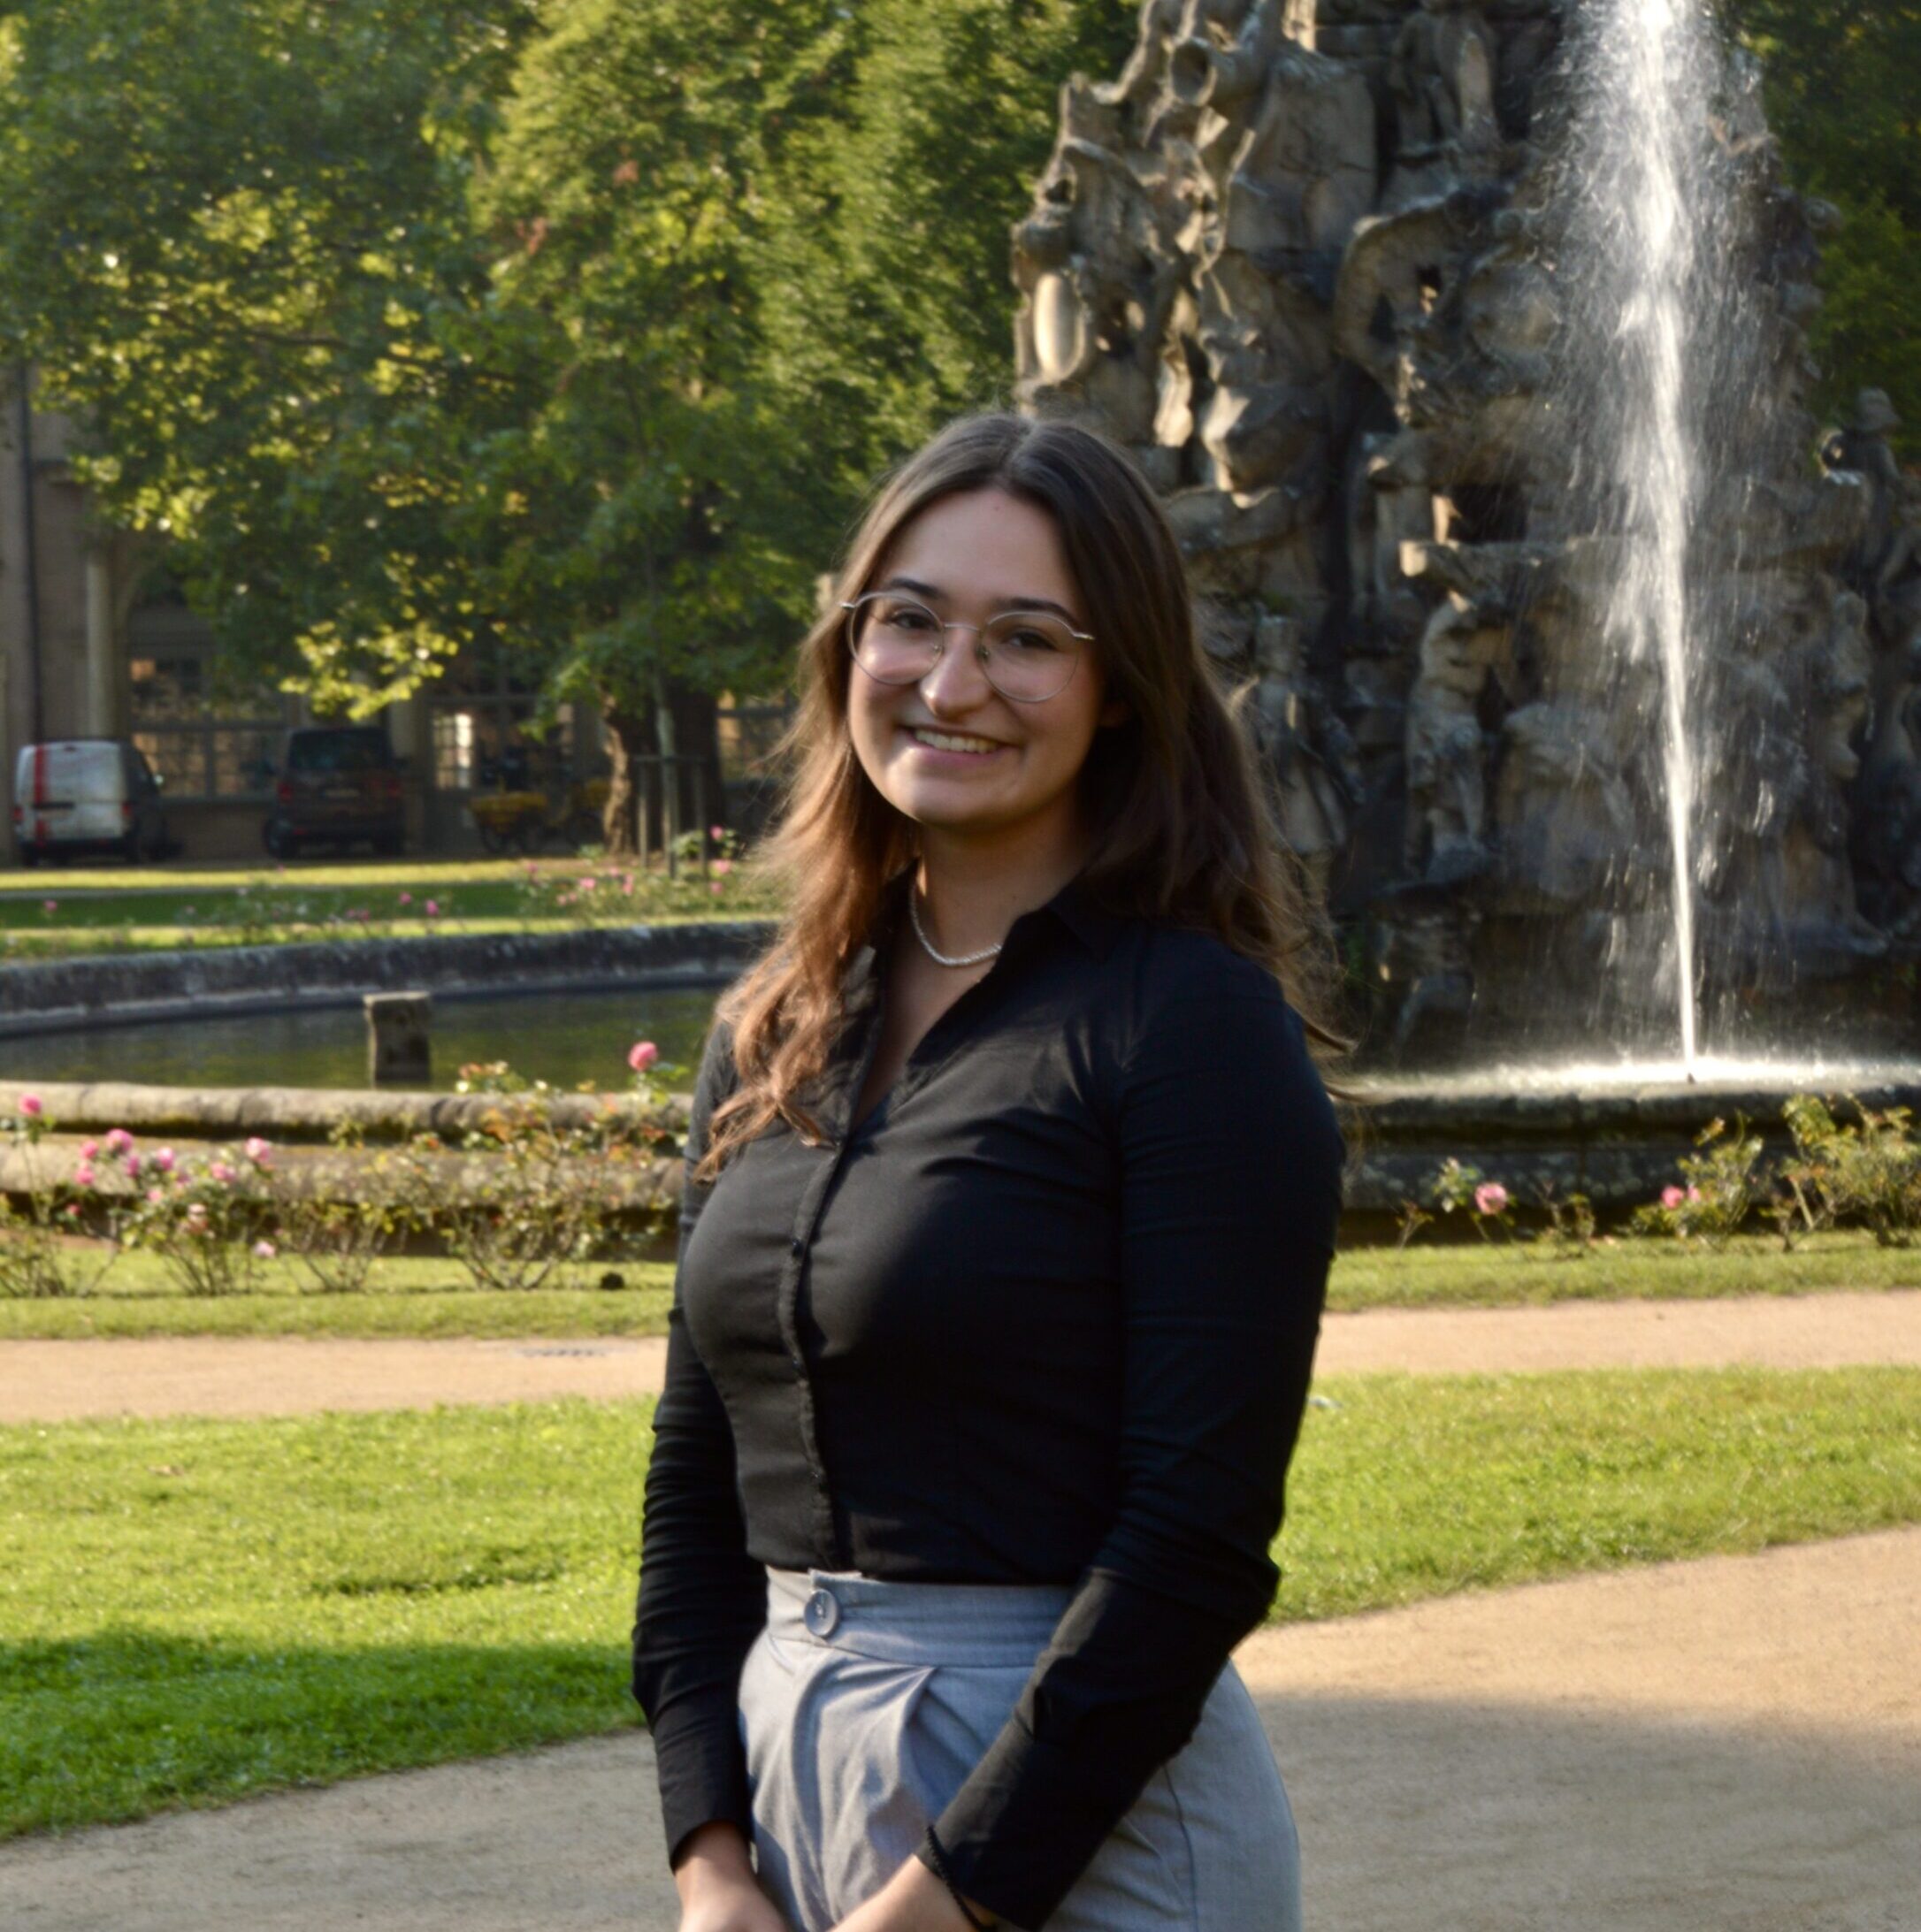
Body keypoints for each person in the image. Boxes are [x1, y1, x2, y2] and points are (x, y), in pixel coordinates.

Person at [632, 412, 1347, 1932]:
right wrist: (707, 1850)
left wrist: (951, 1900)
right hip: (786, 1797)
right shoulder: (772, 1027)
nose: (951, 686)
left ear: (1121, 690)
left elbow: (1195, 1542)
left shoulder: (1190, 1026)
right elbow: (694, 1484)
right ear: (849, 646)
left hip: (1082, 1827)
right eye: (909, 620)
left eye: (1027, 638)